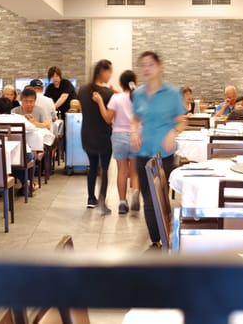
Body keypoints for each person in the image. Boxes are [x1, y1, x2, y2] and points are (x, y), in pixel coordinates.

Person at [131, 51, 186, 249]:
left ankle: (165, 235)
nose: (146, 69)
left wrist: (173, 131)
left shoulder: (172, 93)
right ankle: (156, 240)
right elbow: (136, 118)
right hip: (143, 153)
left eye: (150, 65)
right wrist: (134, 131)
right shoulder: (137, 94)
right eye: (143, 65)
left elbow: (181, 120)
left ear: (159, 67)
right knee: (147, 198)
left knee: (161, 198)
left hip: (164, 154)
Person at [93, 70, 140, 214]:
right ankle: (135, 196)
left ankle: (122, 202)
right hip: (136, 135)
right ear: (135, 83)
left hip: (119, 136)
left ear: (120, 84)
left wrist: (100, 102)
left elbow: (108, 118)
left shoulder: (116, 98)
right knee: (134, 172)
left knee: (122, 171)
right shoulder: (140, 98)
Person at [77, 59, 114, 214]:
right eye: (109, 71)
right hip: (104, 135)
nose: (110, 75)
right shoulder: (108, 93)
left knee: (92, 166)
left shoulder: (82, 90)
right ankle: (102, 200)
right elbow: (109, 117)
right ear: (102, 71)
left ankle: (90, 199)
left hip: (87, 133)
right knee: (104, 169)